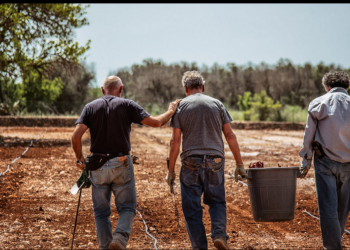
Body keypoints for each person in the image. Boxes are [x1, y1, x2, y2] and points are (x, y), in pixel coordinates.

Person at [71, 76, 181, 250]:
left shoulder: (90, 107)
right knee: (128, 207)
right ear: (121, 89)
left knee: (101, 212)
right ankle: (120, 239)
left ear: (102, 90)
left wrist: (79, 158)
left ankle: (106, 247)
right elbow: (157, 122)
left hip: (97, 166)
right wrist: (171, 110)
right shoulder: (127, 105)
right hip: (121, 163)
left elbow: (76, 137)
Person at [165, 71, 246, 250]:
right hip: (215, 160)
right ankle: (219, 234)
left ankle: (200, 246)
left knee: (192, 208)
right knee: (217, 201)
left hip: (190, 161)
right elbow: (230, 135)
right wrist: (240, 164)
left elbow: (175, 141)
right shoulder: (217, 104)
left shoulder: (180, 107)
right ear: (203, 87)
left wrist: (170, 171)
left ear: (186, 89)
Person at [299, 71, 350, 249]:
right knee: (343, 208)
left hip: (325, 161)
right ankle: (337, 240)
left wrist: (306, 160)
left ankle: (333, 246)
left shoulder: (319, 103)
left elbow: (309, 136)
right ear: (347, 86)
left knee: (328, 207)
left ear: (327, 87)